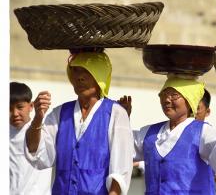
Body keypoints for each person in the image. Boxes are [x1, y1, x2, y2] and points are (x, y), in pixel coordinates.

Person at [25, 51, 134, 195]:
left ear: (99, 75)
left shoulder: (116, 113)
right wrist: (38, 117)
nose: (79, 77)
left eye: (86, 71)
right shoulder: (60, 114)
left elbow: (121, 168)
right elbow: (37, 153)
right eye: (75, 71)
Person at [132, 76, 216, 194]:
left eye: (174, 95)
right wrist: (121, 118)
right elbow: (123, 144)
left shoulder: (202, 130)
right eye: (164, 95)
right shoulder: (149, 132)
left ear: (189, 100)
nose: (167, 100)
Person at [10, 82, 53, 195]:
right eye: (9, 109)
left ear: (31, 106)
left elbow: (34, 146)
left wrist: (39, 116)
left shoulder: (44, 131)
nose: (14, 113)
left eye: (20, 107)